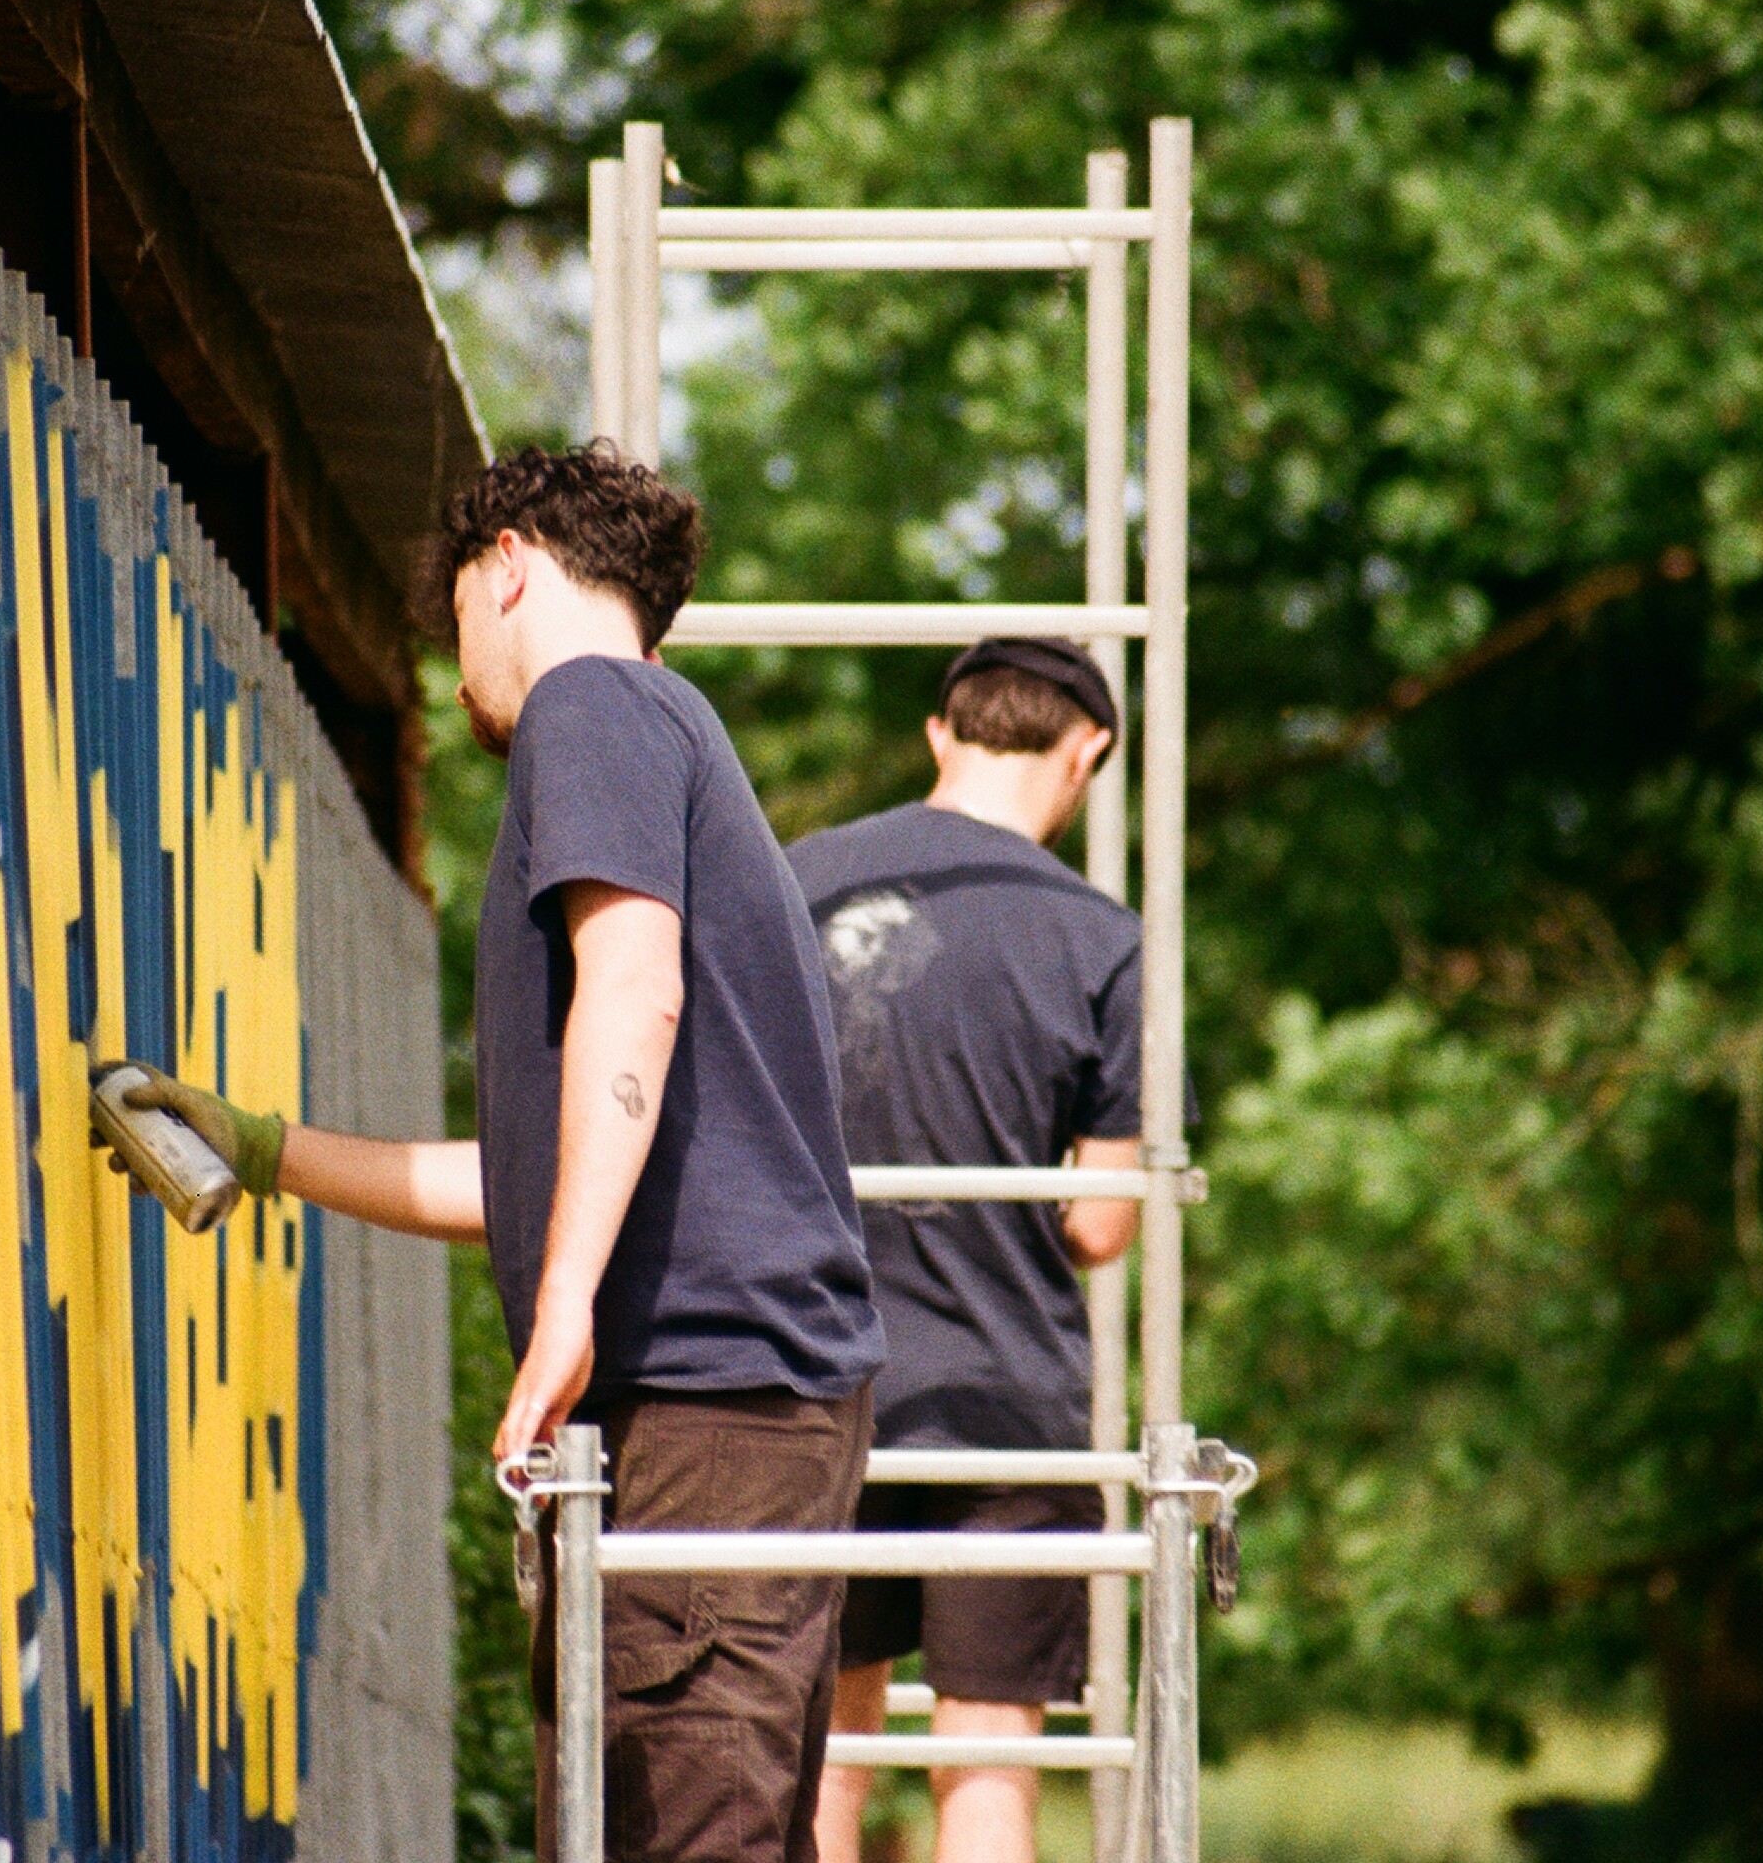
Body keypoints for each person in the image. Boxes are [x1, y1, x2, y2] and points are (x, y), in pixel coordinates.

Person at [113, 443, 885, 1863]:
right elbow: (550, 1169)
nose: (453, 675)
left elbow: (633, 985)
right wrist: (265, 1151)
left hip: (703, 1409)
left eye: (452, 617)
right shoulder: (669, 737)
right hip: (743, 1412)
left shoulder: (594, 702)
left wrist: (566, 1307)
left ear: (509, 566)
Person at [787, 638, 1159, 1863]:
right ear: (1085, 751)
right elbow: (1101, 1220)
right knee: (988, 1767)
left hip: (811, 1374)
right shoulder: (1103, 938)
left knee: (821, 1759)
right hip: (1005, 1400)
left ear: (940, 734)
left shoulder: (797, 885)